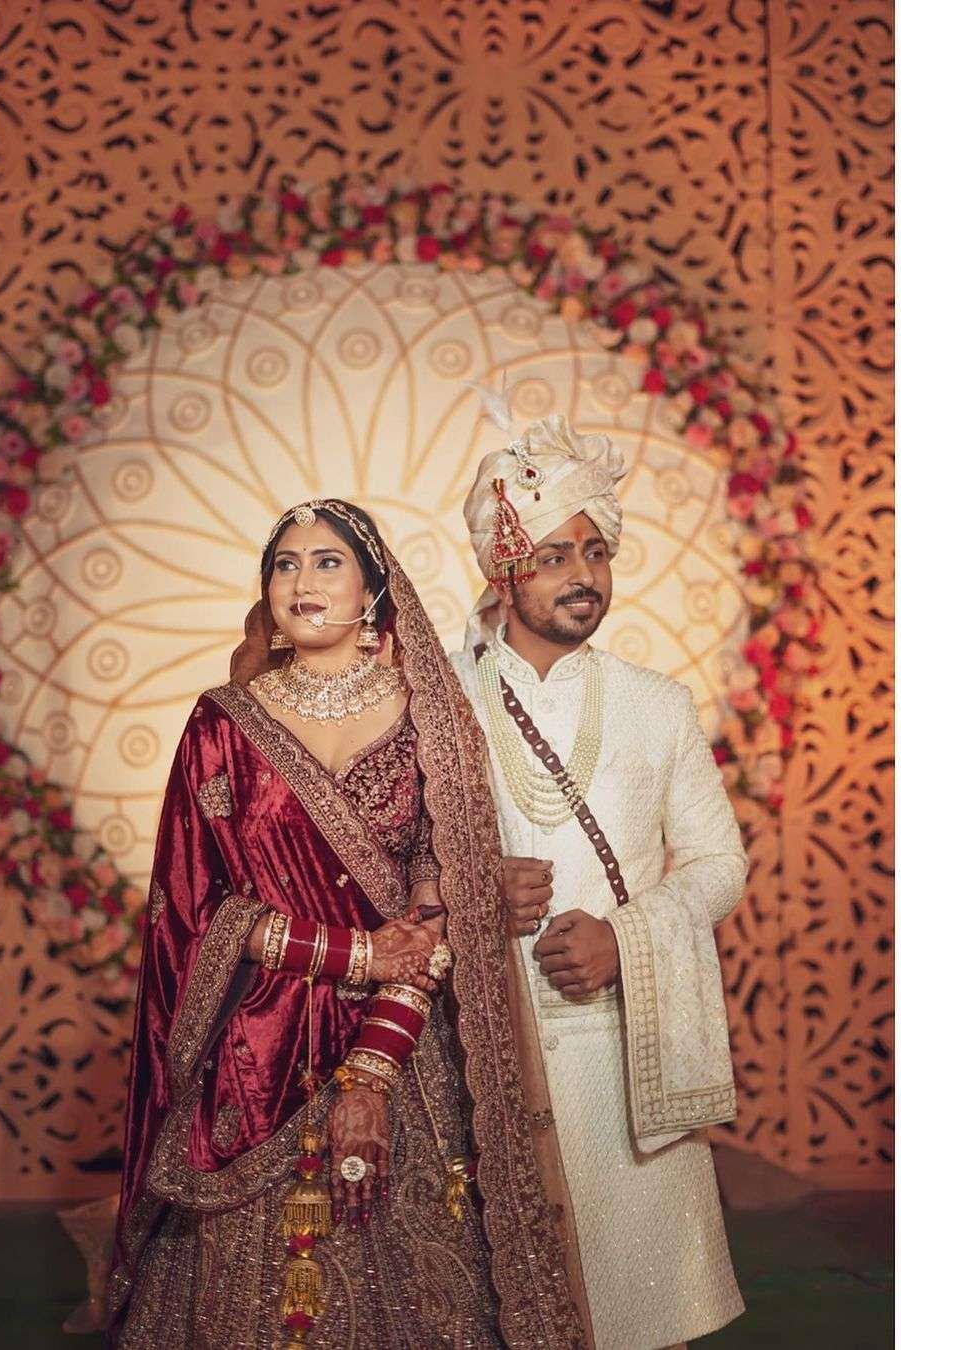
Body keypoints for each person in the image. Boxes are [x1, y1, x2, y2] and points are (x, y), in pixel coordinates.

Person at [106, 499, 590, 1348]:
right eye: (284, 564)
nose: (302, 580)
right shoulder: (223, 722)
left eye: (328, 562)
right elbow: (195, 908)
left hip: (399, 1044)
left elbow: (444, 914)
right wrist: (357, 951)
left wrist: (369, 1074)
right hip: (254, 1049)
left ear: (373, 589)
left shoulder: (431, 723)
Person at [450, 414, 747, 1350]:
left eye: (595, 551)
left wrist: (625, 937)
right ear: (504, 571)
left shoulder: (657, 705)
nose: (583, 575)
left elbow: (719, 864)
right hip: (480, 1051)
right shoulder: (439, 701)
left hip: (623, 1048)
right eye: (552, 556)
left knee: (639, 1319)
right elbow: (374, 863)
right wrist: (467, 887)